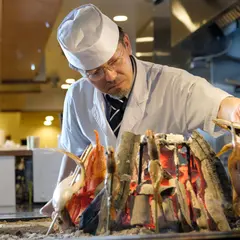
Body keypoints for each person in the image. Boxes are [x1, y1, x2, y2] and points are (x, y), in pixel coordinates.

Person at [40, 3, 240, 217]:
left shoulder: (173, 84)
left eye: (114, 61)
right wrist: (59, 199)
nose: (110, 76)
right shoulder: (76, 96)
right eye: (95, 72)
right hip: (107, 215)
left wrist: (235, 113)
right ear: (80, 72)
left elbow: (223, 105)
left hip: (171, 214)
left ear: (126, 44)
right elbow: (75, 155)